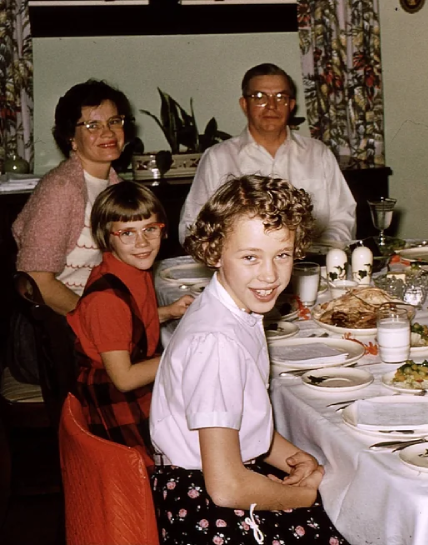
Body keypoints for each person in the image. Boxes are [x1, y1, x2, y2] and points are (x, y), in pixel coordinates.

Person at [151, 175, 347, 544]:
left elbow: (238, 423)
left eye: (282, 255)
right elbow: (225, 487)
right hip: (206, 507)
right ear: (214, 253)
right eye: (250, 257)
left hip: (210, 479)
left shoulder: (237, 309)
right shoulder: (217, 342)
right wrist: (302, 497)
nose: (270, 275)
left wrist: (293, 455)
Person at [9, 80, 130, 385]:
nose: (107, 132)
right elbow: (37, 280)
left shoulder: (115, 187)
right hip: (55, 339)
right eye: (91, 125)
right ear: (70, 138)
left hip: (91, 326)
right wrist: (96, 325)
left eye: (114, 121)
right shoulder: (62, 188)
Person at [67, 182, 192, 466]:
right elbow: (123, 379)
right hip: (114, 397)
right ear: (106, 236)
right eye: (127, 233)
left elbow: (132, 320)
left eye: (150, 228)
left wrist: (168, 311)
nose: (142, 242)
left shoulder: (131, 268)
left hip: (130, 378)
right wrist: (180, 355)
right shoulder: (106, 300)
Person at [178, 63, 356, 246]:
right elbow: (192, 225)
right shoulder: (218, 158)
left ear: (291, 105)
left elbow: (343, 218)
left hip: (311, 264)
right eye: (259, 97)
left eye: (281, 97)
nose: (271, 106)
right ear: (244, 104)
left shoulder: (318, 154)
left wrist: (316, 251)